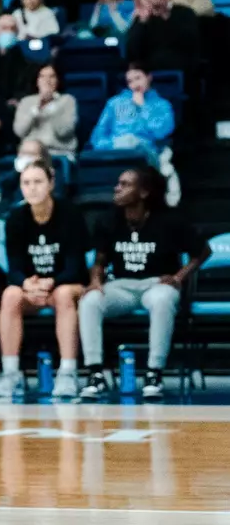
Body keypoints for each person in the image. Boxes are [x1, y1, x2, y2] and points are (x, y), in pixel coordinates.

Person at [78, 166, 208, 400]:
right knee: (90, 301)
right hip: (121, 285)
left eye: (125, 184)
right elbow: (99, 259)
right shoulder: (108, 219)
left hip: (155, 283)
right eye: (118, 183)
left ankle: (154, 372)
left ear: (144, 192)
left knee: (163, 299)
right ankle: (95, 373)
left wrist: (178, 277)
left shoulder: (169, 219)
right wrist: (95, 281)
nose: (117, 188)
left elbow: (203, 251)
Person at [0, 159, 89, 399]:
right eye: (26, 183)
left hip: (65, 284)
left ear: (51, 184)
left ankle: (67, 373)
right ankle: (10, 374)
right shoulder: (15, 218)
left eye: (38, 182)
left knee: (64, 294)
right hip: (32, 287)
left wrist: (50, 283)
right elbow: (13, 268)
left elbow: (76, 266)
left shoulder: (70, 214)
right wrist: (26, 284)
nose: (32, 188)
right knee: (11, 294)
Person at [88, 65, 175, 164]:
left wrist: (142, 107)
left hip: (146, 154)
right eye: (130, 81)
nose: (135, 84)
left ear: (149, 77)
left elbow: (160, 133)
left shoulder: (162, 105)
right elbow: (97, 137)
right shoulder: (114, 103)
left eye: (138, 78)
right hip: (116, 152)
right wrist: (115, 144)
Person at [13, 63, 80, 157]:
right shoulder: (26, 102)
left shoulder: (68, 100)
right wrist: (37, 108)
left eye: (52, 76)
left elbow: (63, 132)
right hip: (30, 153)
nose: (47, 80)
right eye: (42, 76)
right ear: (37, 81)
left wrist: (52, 104)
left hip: (59, 152)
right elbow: (20, 131)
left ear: (58, 80)